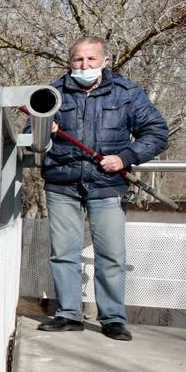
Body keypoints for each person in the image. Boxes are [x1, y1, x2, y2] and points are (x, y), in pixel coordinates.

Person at [38, 36, 168, 341]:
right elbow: (33, 136)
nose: (84, 66)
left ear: (105, 61)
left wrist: (124, 157)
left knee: (111, 255)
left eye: (91, 60)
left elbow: (157, 133)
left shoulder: (127, 93)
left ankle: (112, 319)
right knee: (63, 253)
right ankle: (68, 314)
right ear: (70, 62)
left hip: (108, 186)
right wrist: (45, 129)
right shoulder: (52, 93)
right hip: (61, 183)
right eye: (78, 60)